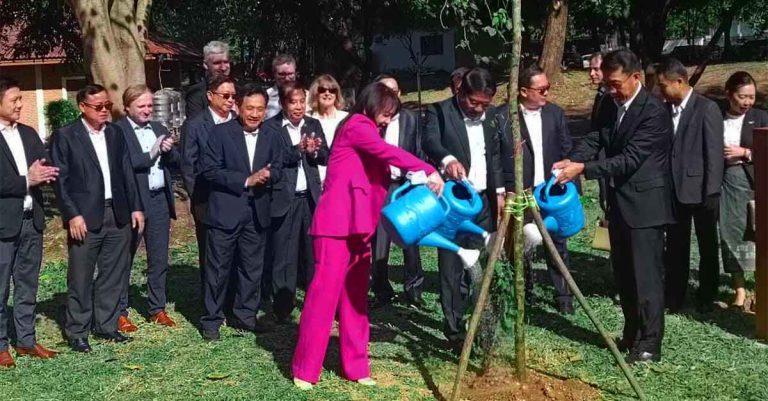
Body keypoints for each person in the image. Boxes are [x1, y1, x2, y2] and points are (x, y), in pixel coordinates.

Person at [291, 82, 444, 389]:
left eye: (391, 115)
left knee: (356, 300)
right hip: (335, 226)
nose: (387, 120)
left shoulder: (370, 131)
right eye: (386, 112)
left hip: (360, 227)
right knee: (323, 297)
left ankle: (356, 365)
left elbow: (385, 167)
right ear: (371, 104)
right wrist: (427, 168)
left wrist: (416, 177)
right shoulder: (357, 126)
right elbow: (386, 152)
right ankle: (305, 369)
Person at [553, 49, 674, 364]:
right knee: (624, 275)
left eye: (616, 83)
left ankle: (650, 343)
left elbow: (630, 159)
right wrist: (576, 158)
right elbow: (596, 138)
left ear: (636, 77)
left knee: (646, 277)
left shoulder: (654, 112)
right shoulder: (608, 103)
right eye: (607, 83)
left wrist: (584, 170)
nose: (611, 90)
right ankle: (631, 333)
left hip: (646, 206)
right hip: (618, 203)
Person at [51, 84, 145, 353]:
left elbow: (127, 171)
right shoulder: (66, 136)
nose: (105, 110)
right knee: (80, 277)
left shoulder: (115, 133)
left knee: (113, 273)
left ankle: (106, 324)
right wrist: (72, 215)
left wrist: (136, 207)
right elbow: (61, 181)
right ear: (82, 107)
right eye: (98, 107)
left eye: (108, 105)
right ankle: (77, 331)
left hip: (117, 214)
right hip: (84, 217)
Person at [421, 67, 505, 352]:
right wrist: (447, 159)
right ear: (460, 92)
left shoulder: (493, 117)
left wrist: (501, 192)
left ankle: (479, 322)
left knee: (481, 265)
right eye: (473, 103)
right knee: (451, 267)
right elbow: (430, 141)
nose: (478, 109)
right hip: (453, 203)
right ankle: (454, 330)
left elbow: (495, 156)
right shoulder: (439, 111)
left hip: (484, 203)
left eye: (485, 104)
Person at [198, 84, 282, 341]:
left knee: (252, 268)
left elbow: (280, 166)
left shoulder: (272, 134)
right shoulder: (220, 133)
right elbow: (208, 170)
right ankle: (212, 319)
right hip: (225, 212)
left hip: (257, 212)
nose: (255, 114)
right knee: (218, 269)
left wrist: (270, 174)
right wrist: (246, 180)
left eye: (260, 109)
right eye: (250, 108)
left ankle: (245, 315)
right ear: (238, 107)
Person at [496, 65, 575, 314]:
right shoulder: (503, 117)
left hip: (550, 190)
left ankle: (564, 296)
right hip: (519, 191)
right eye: (541, 90)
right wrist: (503, 190)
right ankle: (523, 291)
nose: (546, 94)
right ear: (523, 91)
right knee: (520, 243)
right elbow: (496, 158)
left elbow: (566, 149)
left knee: (557, 243)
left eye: (548, 89)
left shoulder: (555, 114)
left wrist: (565, 178)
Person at [0, 76, 60, 368]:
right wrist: (27, 179)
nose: (21, 104)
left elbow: (43, 162)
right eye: (15, 100)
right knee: (0, 290)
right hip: (2, 226)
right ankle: (0, 346)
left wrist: (47, 171)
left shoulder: (28, 132)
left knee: (27, 284)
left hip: (30, 221)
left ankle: (25, 340)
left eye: (21, 98)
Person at [656, 58, 724, 313]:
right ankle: (674, 297)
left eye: (663, 86)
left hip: (702, 190)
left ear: (679, 81)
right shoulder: (664, 110)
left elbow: (714, 154)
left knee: (707, 245)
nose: (661, 91)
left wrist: (712, 190)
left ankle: (707, 295)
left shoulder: (706, 109)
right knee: (676, 246)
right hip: (673, 190)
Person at [115, 84, 180, 329]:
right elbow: (127, 165)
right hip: (134, 201)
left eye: (150, 105)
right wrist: (153, 151)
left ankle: (157, 308)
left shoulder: (159, 128)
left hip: (159, 199)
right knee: (126, 257)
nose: (146, 110)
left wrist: (169, 150)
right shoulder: (118, 131)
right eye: (141, 106)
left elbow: (175, 162)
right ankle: (120, 310)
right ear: (127, 107)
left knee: (159, 257)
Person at [263, 81, 328, 322]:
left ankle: (315, 303)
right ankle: (282, 307)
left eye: (302, 101)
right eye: (293, 102)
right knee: (284, 254)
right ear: (283, 104)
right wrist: (297, 149)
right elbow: (273, 160)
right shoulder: (271, 128)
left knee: (312, 253)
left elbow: (326, 156)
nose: (299, 107)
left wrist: (314, 151)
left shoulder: (313, 124)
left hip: (310, 198)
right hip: (284, 198)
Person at [369, 74, 427, 309]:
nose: (390, 96)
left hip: (406, 185)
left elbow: (420, 151)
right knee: (380, 240)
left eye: (394, 91)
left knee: (411, 239)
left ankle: (414, 289)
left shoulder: (411, 119)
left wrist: (419, 179)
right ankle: (382, 290)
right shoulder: (371, 121)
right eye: (385, 91)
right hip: (382, 185)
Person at [719, 71, 768, 309]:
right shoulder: (715, 117)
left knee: (760, 235)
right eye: (742, 96)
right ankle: (739, 290)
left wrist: (745, 153)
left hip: (757, 181)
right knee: (732, 233)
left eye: (751, 96)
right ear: (729, 94)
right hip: (728, 183)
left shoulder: (761, 117)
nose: (748, 101)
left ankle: (762, 290)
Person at [181, 75, 237, 272]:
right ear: (210, 95)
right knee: (210, 254)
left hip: (237, 199)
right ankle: (211, 299)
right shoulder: (195, 125)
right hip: (208, 202)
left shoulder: (240, 123)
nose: (230, 100)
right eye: (226, 95)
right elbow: (189, 165)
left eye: (233, 96)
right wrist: (198, 200)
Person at [308, 74, 348, 182]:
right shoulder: (307, 119)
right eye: (322, 90)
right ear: (316, 93)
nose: (327, 93)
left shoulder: (346, 119)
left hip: (340, 177)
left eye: (332, 90)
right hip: (315, 178)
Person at [184, 41, 232, 120]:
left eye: (226, 62)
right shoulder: (196, 94)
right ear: (206, 65)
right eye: (217, 63)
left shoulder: (240, 91)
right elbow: (197, 128)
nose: (223, 68)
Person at [266, 54, 299, 119]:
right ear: (274, 74)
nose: (287, 78)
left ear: (295, 73)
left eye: (290, 74)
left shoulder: (308, 97)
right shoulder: (266, 96)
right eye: (282, 74)